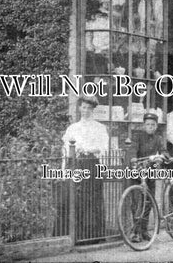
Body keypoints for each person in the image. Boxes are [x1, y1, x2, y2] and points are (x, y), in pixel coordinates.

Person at [62, 95, 109, 241]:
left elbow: (103, 148)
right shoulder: (73, 128)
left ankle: (92, 236)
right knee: (76, 200)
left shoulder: (100, 128)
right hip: (76, 166)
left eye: (89, 108)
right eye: (83, 107)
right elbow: (65, 150)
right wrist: (64, 170)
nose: (86, 110)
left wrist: (87, 149)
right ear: (79, 108)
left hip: (92, 166)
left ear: (93, 110)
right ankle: (76, 236)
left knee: (92, 201)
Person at [128, 112, 170, 242]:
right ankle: (136, 232)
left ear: (156, 126)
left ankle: (144, 231)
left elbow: (164, 150)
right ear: (144, 125)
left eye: (153, 124)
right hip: (138, 171)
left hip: (150, 172)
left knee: (148, 202)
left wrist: (163, 156)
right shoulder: (137, 136)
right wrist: (133, 158)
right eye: (148, 124)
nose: (150, 127)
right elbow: (133, 149)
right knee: (137, 203)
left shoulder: (158, 138)